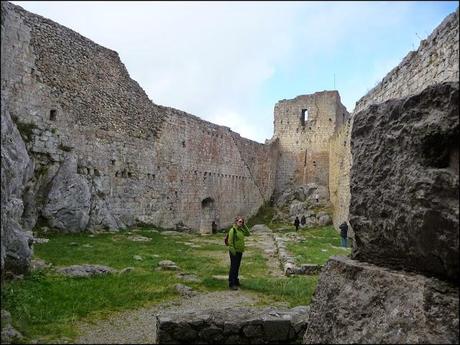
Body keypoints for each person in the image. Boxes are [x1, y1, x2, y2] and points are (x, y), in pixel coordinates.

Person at [228, 216, 250, 290]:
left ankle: (236, 281)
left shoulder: (241, 230)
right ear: (236, 222)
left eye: (242, 222)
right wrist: (233, 252)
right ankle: (231, 283)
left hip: (240, 251)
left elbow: (248, 233)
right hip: (234, 252)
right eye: (240, 221)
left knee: (237, 267)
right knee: (233, 267)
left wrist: (244, 226)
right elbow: (230, 242)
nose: (241, 223)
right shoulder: (233, 230)